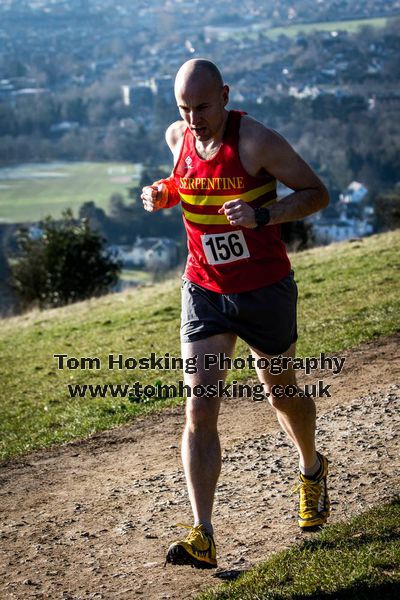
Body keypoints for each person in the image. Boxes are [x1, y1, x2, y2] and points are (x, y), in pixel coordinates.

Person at [141, 58, 330, 570]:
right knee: (199, 408)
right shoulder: (177, 137)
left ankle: (312, 470)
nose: (195, 117)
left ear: (224, 95)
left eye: (203, 106)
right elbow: (188, 179)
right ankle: (203, 533)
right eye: (185, 107)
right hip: (203, 287)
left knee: (281, 392)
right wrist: (165, 192)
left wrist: (263, 214)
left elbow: (317, 193)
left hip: (263, 289)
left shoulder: (256, 141)